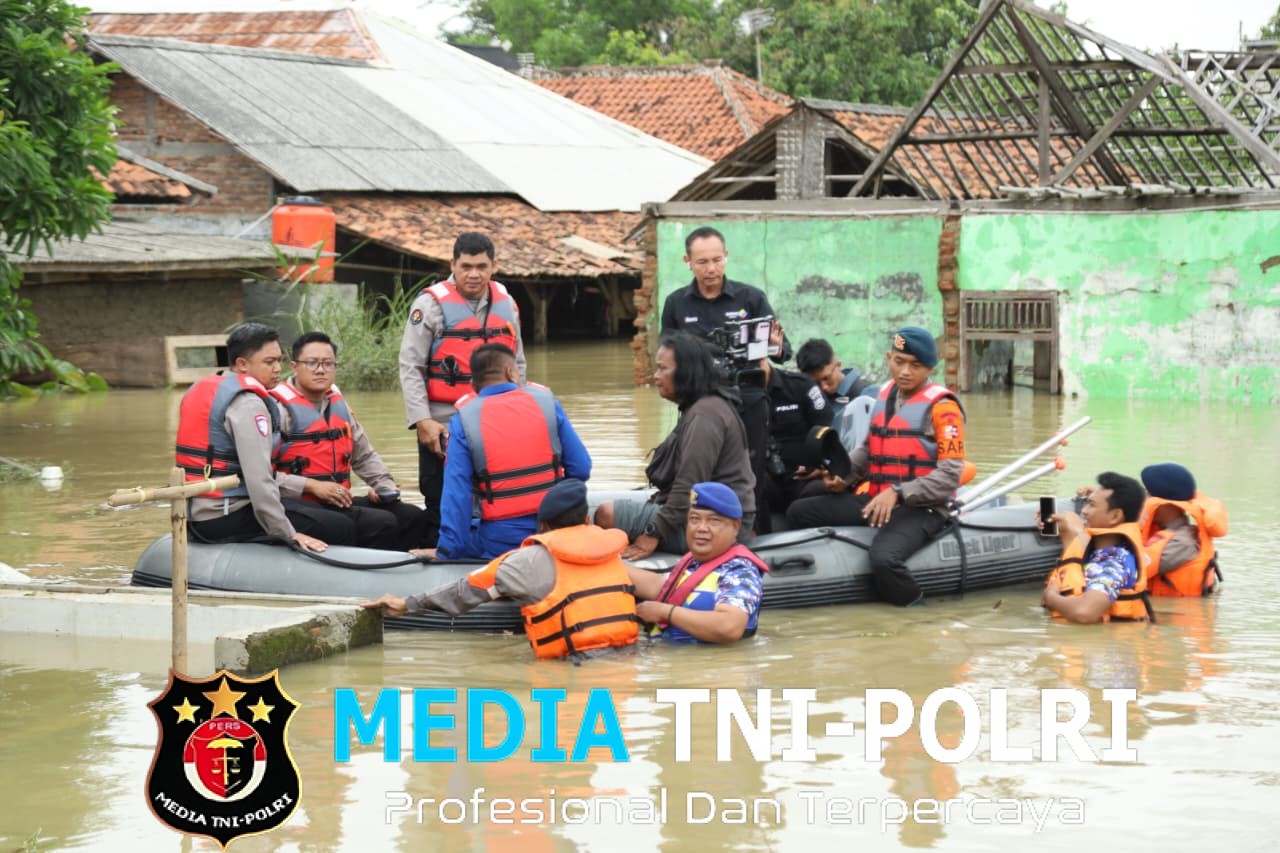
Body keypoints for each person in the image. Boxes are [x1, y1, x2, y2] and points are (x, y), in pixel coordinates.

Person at [785, 327, 966, 606]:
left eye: (915, 365)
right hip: (878, 500)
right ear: (889, 358)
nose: (905, 371)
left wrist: (898, 492)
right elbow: (868, 450)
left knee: (884, 560)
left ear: (930, 368)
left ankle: (919, 613)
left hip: (923, 509)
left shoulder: (943, 409)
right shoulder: (884, 396)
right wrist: (843, 476)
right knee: (800, 511)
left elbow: (950, 475)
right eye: (899, 361)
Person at [361, 479, 638, 659]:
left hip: (572, 665)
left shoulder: (523, 563)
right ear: (588, 520)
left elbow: (463, 592)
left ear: (542, 525)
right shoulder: (612, 555)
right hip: (628, 657)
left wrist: (404, 604)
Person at [175, 323, 352, 552]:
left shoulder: (203, 389)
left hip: (197, 513)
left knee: (321, 514)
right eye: (269, 362)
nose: (278, 369)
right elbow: (260, 480)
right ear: (242, 364)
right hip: (224, 515)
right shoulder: (248, 403)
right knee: (339, 525)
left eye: (279, 360)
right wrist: (288, 533)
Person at [659, 226, 791, 533]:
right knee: (698, 467)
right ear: (687, 262)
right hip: (700, 406)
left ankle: (752, 534)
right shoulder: (677, 304)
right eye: (702, 262)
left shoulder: (751, 298)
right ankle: (701, 531)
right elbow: (667, 355)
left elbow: (783, 352)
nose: (711, 269)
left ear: (726, 257)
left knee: (752, 471)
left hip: (748, 399)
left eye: (717, 260)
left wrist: (774, 346)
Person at [399, 232, 526, 548]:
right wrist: (422, 420)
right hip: (443, 420)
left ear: (493, 266)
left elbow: (518, 363)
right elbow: (410, 366)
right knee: (440, 494)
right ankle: (439, 549)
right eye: (466, 266)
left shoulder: (507, 305)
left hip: (496, 419)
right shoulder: (429, 306)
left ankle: (489, 548)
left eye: (481, 266)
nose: (473, 274)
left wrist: (521, 412)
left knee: (494, 493)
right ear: (452, 264)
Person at [595, 331, 756, 560]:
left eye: (663, 369)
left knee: (606, 513)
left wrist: (653, 531)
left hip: (717, 521)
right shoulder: (704, 406)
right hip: (713, 513)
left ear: (685, 372)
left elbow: (689, 486)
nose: (655, 376)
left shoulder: (705, 416)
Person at [271, 332, 431, 551]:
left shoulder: (339, 405)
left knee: (412, 516)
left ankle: (407, 564)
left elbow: (364, 456)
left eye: (328, 363)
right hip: (296, 505)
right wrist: (312, 486)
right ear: (295, 367)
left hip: (335, 501)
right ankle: (372, 569)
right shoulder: (276, 409)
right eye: (311, 363)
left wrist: (384, 489)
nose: (320, 370)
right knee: (380, 523)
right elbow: (261, 477)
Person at [430, 343, 591, 560]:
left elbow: (457, 494)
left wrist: (446, 551)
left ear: (473, 384)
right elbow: (581, 468)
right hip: (556, 531)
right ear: (510, 372)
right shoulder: (547, 403)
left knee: (469, 533)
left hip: (500, 542)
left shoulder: (463, 420)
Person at [626, 482, 768, 644]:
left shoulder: (740, 570)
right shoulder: (692, 562)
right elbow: (661, 586)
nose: (701, 528)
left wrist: (667, 613)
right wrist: (608, 564)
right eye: (694, 519)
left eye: (713, 521)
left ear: (735, 527)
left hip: (712, 659)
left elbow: (730, 627)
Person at [1042, 472, 1152, 623]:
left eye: (1092, 505)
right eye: (1086, 503)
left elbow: (1085, 613)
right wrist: (1067, 531)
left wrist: (1051, 598)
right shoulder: (1099, 549)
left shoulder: (1114, 562)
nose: (1084, 510)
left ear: (1115, 516)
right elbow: (1077, 560)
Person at [758, 356, 832, 525]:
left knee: (820, 490)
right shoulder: (736, 393)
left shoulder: (800, 386)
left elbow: (825, 428)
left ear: (763, 359)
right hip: (763, 481)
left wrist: (820, 465)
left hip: (803, 478)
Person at [1139, 463, 1228, 597]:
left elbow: (1130, 572)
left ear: (1165, 504)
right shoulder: (1163, 531)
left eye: (1148, 494)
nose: (1143, 499)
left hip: (1174, 610)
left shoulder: (1182, 543)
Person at [795, 337, 874, 417]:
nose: (823, 387)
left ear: (838, 365)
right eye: (815, 382)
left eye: (826, 378)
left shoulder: (868, 394)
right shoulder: (807, 401)